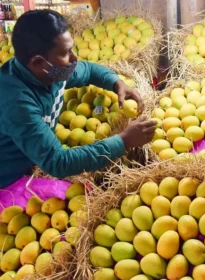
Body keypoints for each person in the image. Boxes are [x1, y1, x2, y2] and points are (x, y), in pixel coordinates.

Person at [0, 10, 156, 188]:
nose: (75, 57)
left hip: (29, 161)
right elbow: (58, 162)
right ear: (38, 62)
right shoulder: (16, 101)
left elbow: (88, 70)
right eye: (66, 53)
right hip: (6, 181)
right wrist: (124, 141)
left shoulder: (52, 71)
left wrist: (116, 83)